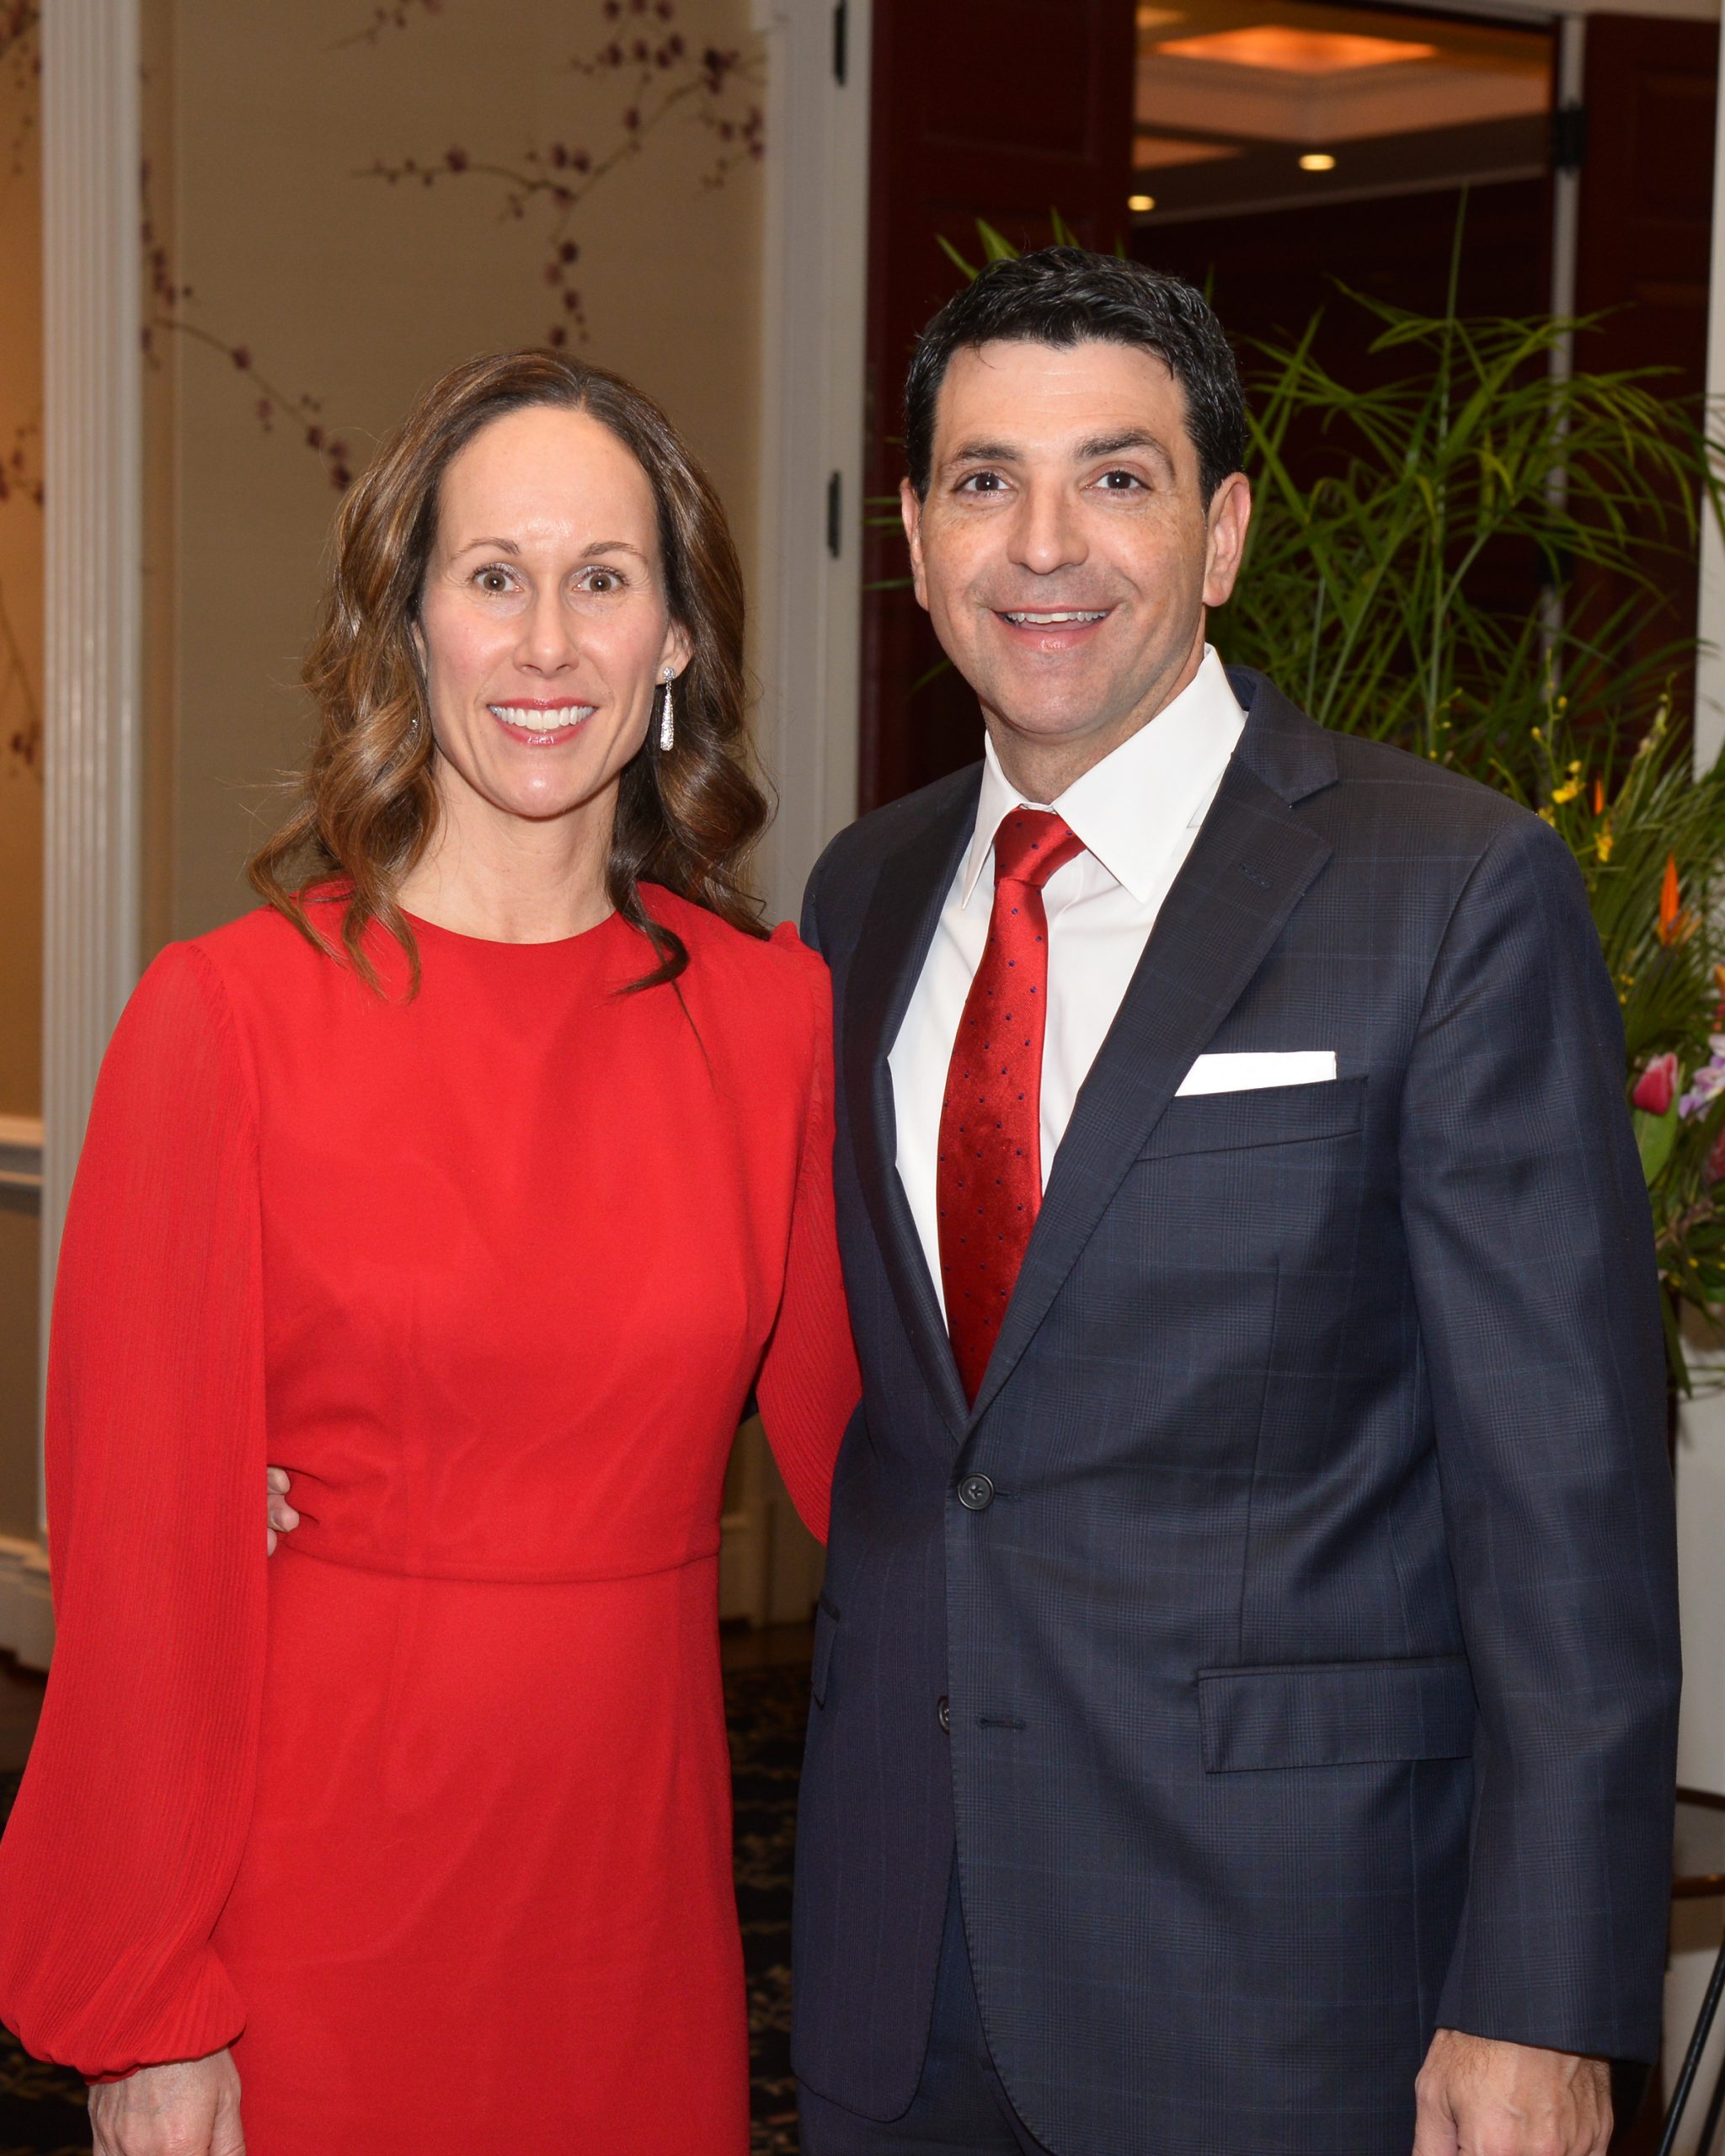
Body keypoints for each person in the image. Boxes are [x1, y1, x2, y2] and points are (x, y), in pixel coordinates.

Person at [786, 249, 1680, 2156]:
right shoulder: (860, 898)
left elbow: (1565, 1508)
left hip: (1283, 1978)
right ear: (918, 542)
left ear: (1223, 534)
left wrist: (1539, 1998)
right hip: (896, 1952)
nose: (1044, 543)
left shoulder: (1447, 888)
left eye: (1116, 477)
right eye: (984, 480)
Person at [0, 350, 859, 2155]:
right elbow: (142, 1581)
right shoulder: (225, 1020)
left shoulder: (774, 1022)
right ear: (411, 629)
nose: (546, 643)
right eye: (492, 576)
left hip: (637, 1918)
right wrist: (147, 2003)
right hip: (315, 1914)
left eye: (602, 579)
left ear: (676, 638)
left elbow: (910, 1477)